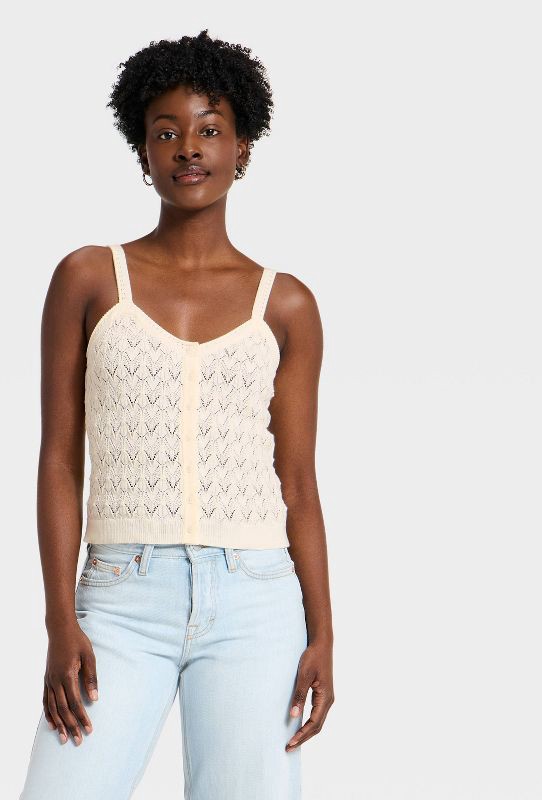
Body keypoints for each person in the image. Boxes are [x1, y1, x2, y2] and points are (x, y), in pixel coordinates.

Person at [18, 29, 334, 800]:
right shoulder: (89, 277)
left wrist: (323, 632)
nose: (188, 148)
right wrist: (61, 619)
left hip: (258, 599)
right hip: (119, 598)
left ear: (242, 146)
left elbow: (297, 482)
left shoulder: (287, 304)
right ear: (143, 152)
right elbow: (59, 458)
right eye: (166, 133)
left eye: (209, 129)